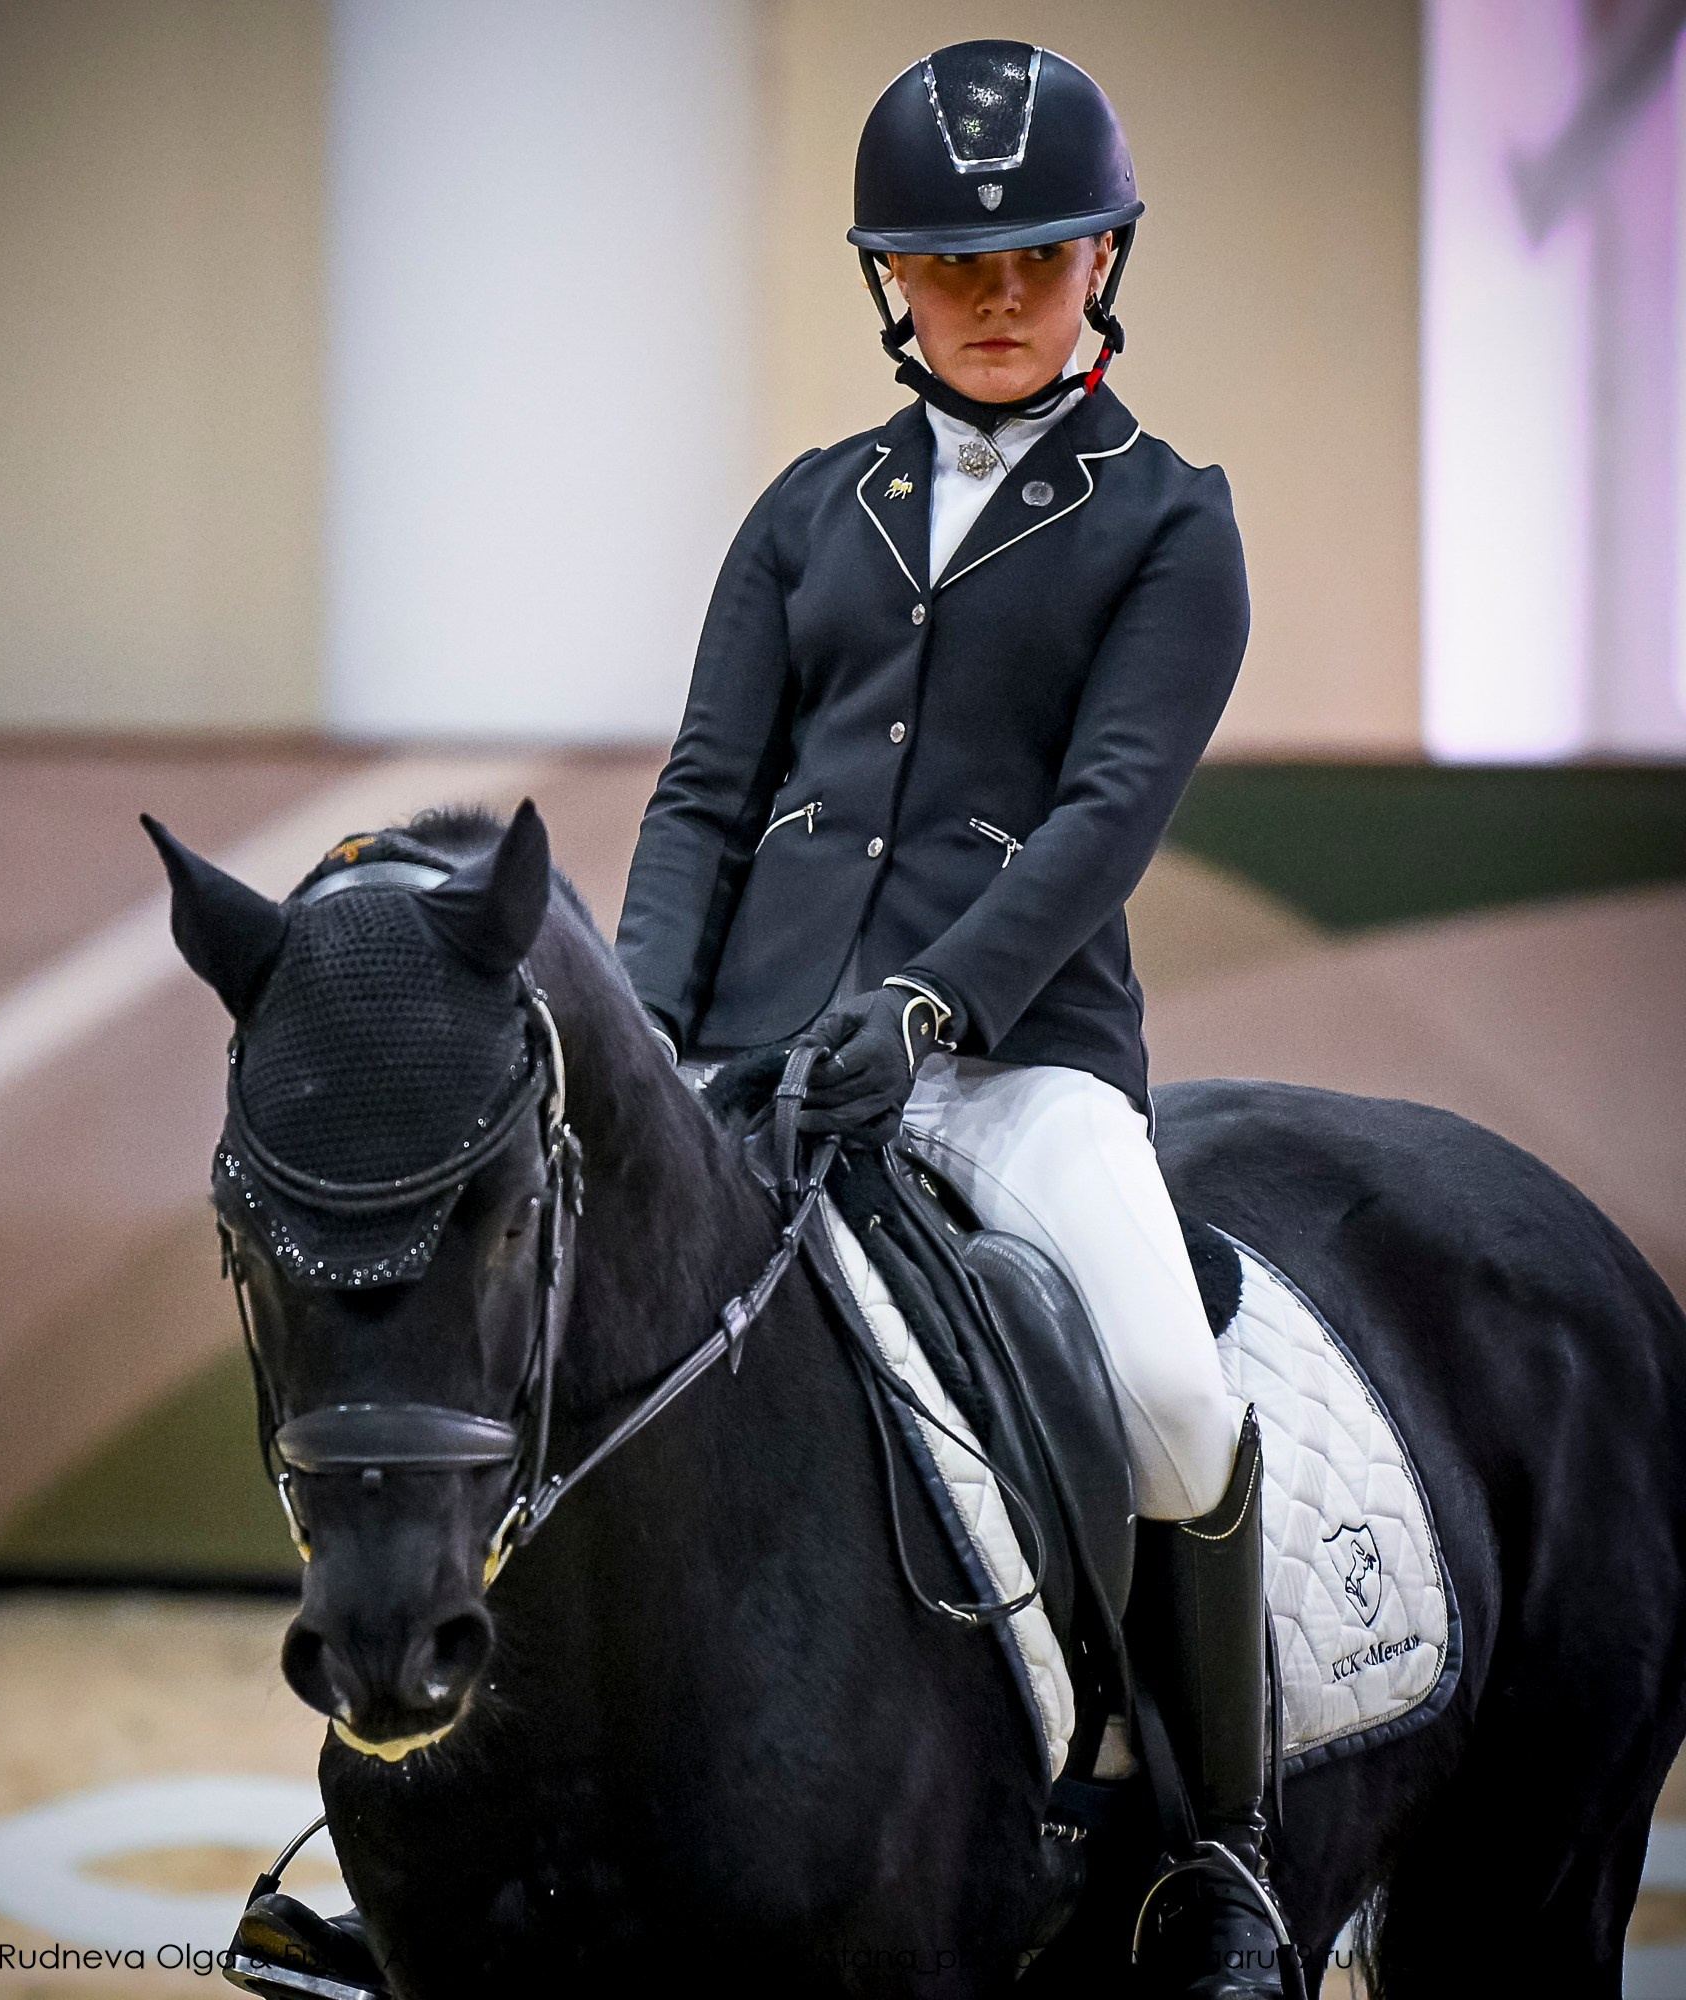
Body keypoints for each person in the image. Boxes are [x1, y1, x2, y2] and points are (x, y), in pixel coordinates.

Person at [615, 41, 1285, 1999]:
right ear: (886, 281)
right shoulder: (803, 511)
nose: (996, 298)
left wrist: (931, 1004)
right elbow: (701, 795)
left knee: (1174, 1393)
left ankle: (1214, 1860)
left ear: (1103, 260)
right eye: (947, 263)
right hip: (749, 1065)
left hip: (1015, 1066)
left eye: (1038, 258)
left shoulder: (1169, 519)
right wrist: (659, 1037)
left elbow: (1103, 817)